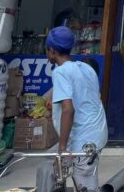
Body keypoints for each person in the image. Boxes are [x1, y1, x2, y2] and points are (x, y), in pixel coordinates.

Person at [37, 26, 108, 192]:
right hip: (95, 132)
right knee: (49, 166)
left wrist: (62, 148)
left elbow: (68, 110)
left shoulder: (60, 72)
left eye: (46, 50)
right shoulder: (86, 68)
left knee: (85, 185)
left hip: (85, 141)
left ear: (52, 51)